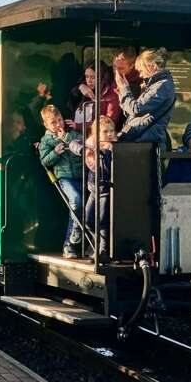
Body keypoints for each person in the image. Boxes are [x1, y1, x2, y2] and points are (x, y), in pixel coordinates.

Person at [38, 104, 84, 258]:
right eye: (53, 122)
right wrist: (55, 153)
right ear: (46, 124)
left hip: (80, 176)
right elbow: (44, 161)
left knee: (87, 206)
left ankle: (84, 242)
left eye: (60, 120)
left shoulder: (71, 133)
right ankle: (68, 244)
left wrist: (67, 136)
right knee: (76, 201)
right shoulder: (45, 141)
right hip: (64, 178)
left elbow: (82, 143)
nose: (58, 125)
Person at [117, 48, 176, 147]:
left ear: (152, 67)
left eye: (141, 70)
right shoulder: (154, 85)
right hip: (141, 138)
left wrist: (125, 89)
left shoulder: (162, 86)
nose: (140, 75)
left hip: (147, 141)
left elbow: (137, 109)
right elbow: (132, 112)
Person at [82, 117, 115, 259]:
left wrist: (106, 153)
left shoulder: (113, 148)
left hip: (106, 189)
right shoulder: (90, 145)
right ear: (96, 134)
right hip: (94, 189)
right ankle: (97, 244)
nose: (109, 134)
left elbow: (108, 169)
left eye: (112, 131)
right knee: (87, 220)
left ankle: (103, 251)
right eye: (105, 131)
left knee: (102, 221)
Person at [69, 61, 123, 135]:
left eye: (93, 77)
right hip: (76, 133)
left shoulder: (112, 93)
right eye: (87, 76)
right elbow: (71, 100)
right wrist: (80, 87)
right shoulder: (83, 88)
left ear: (102, 77)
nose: (89, 81)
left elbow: (110, 121)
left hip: (98, 137)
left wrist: (79, 126)